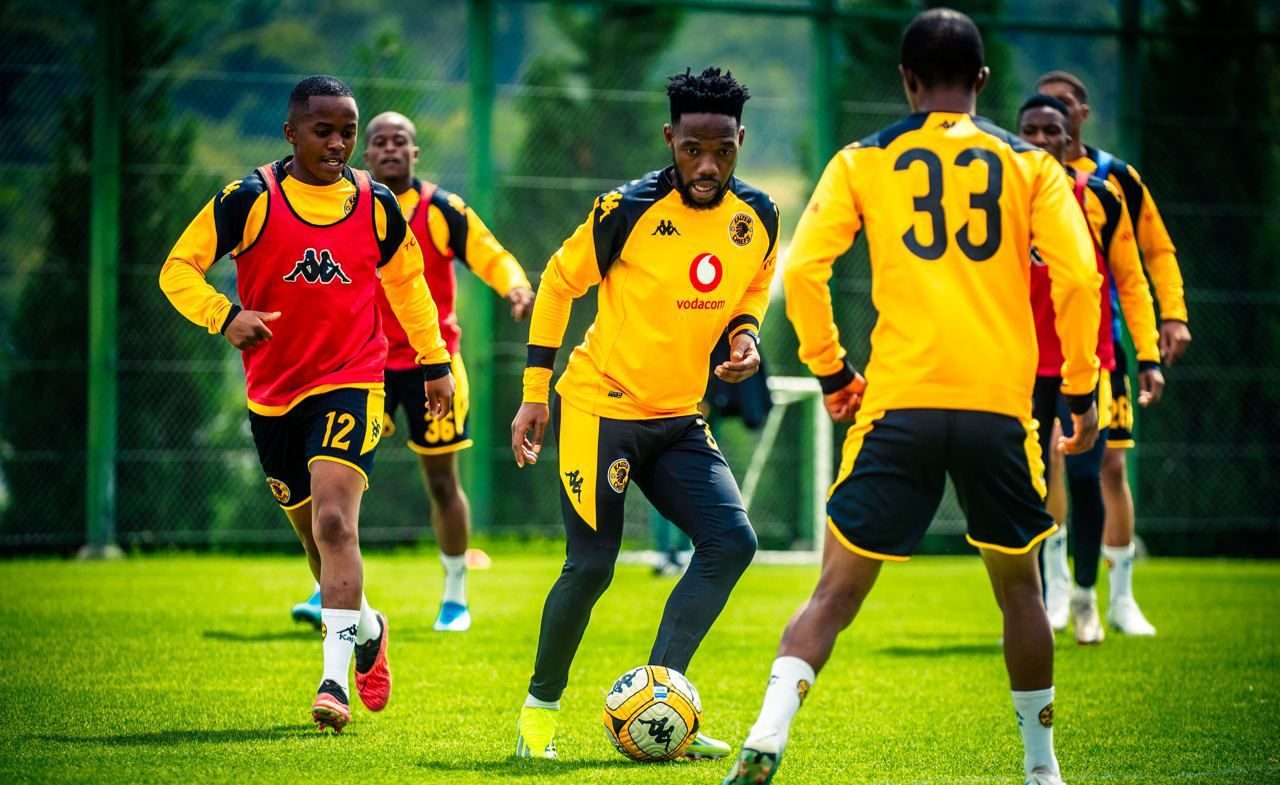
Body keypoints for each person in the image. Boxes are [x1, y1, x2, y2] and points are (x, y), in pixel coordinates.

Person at [724, 11, 1101, 785]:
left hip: (899, 405)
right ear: (983, 82)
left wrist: (831, 371)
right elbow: (1079, 278)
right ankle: (1041, 767)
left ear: (905, 79)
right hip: (1000, 408)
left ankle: (766, 732)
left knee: (834, 590)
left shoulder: (864, 159)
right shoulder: (1032, 164)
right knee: (1020, 590)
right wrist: (1081, 389)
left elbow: (805, 273)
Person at [159, 76, 455, 733]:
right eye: (324, 130)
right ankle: (369, 623)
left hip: (352, 377)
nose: (339, 142)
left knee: (334, 523)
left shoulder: (376, 205)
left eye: (347, 130)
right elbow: (177, 268)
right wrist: (224, 314)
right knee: (314, 539)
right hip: (272, 394)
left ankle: (332, 679)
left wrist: (435, 366)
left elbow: (407, 286)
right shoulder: (248, 200)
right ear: (290, 133)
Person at [510, 67, 778, 761]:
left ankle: (662, 705)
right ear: (670, 138)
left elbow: (752, 288)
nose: (708, 164)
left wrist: (746, 336)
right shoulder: (624, 210)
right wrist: (535, 392)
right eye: (693, 148)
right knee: (592, 564)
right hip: (599, 408)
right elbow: (557, 286)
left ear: (741, 140)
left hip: (678, 417)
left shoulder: (759, 218)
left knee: (732, 541)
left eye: (723, 148)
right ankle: (539, 712)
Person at [290, 111, 533, 633]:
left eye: (400, 141)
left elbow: (489, 253)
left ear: (415, 153)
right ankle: (325, 589)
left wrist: (514, 285)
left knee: (443, 483)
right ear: (366, 153)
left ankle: (454, 597)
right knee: (336, 483)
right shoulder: (347, 206)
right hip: (361, 366)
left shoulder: (441, 209)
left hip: (432, 368)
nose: (390, 149)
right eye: (379, 142)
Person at [1037, 70, 1191, 636]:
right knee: (1049, 460)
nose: (1050, 123)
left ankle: (1120, 596)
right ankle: (1060, 591)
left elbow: (1146, 259)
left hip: (1105, 350)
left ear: (1081, 113)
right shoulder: (1017, 181)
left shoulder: (1113, 182)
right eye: (1039, 114)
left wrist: (1163, 327)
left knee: (1109, 466)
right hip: (1035, 354)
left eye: (1062, 109)